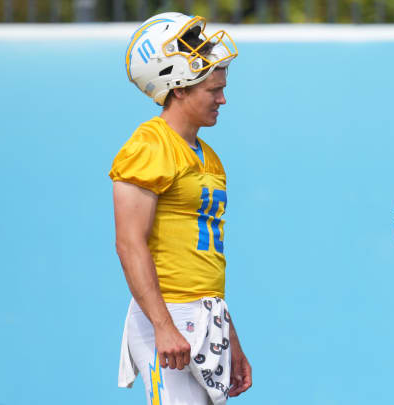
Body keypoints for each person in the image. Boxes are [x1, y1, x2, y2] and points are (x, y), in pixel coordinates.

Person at [110, 12, 251, 405]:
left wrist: (230, 337)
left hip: (206, 317)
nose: (223, 98)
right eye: (213, 89)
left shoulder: (209, 157)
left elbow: (204, 261)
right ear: (179, 89)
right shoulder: (150, 145)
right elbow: (129, 243)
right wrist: (163, 325)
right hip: (168, 314)